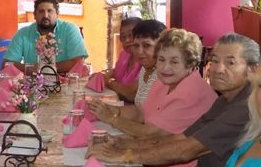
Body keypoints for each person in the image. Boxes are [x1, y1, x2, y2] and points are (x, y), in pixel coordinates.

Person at [88, 33, 260, 167]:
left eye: (230, 62)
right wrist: (121, 144)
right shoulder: (226, 100)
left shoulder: (244, 107)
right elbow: (179, 138)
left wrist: (125, 154)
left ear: (253, 69)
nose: (218, 68)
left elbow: (185, 149)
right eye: (214, 60)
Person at [88, 28, 216, 139]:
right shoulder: (163, 81)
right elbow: (140, 113)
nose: (165, 68)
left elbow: (151, 133)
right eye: (161, 60)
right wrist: (105, 109)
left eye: (174, 62)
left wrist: (111, 118)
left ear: (190, 64)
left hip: (176, 165)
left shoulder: (191, 92)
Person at [4, 0, 88, 73]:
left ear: (57, 14)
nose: (45, 15)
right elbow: (7, 64)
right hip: (33, 84)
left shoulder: (70, 29)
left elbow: (78, 63)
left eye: (50, 11)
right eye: (41, 11)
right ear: (34, 15)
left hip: (67, 82)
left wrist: (43, 68)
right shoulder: (23, 34)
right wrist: (35, 68)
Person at [101, 16, 142, 102]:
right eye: (123, 37)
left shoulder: (146, 61)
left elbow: (130, 94)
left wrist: (108, 82)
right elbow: (115, 71)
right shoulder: (125, 54)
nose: (127, 40)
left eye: (131, 35)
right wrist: (101, 76)